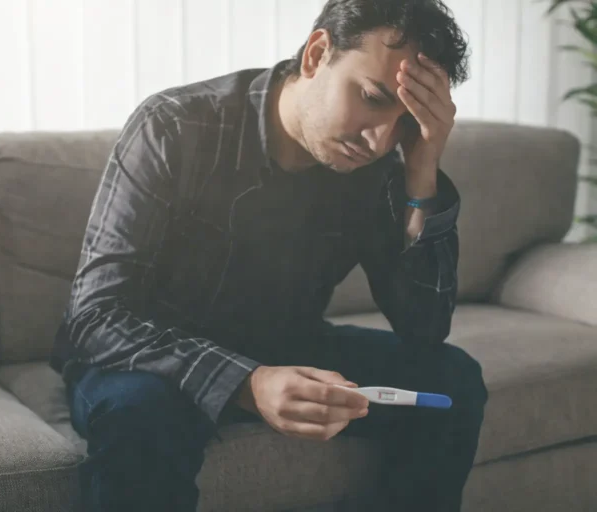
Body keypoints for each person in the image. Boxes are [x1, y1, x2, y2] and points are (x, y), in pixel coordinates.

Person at [49, 0, 488, 510]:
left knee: (451, 383)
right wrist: (245, 382)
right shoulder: (174, 126)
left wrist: (422, 170)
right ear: (316, 53)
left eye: (405, 122)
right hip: (148, 358)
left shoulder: (383, 163)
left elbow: (425, 328)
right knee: (143, 417)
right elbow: (96, 315)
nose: (379, 139)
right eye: (371, 97)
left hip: (283, 343)